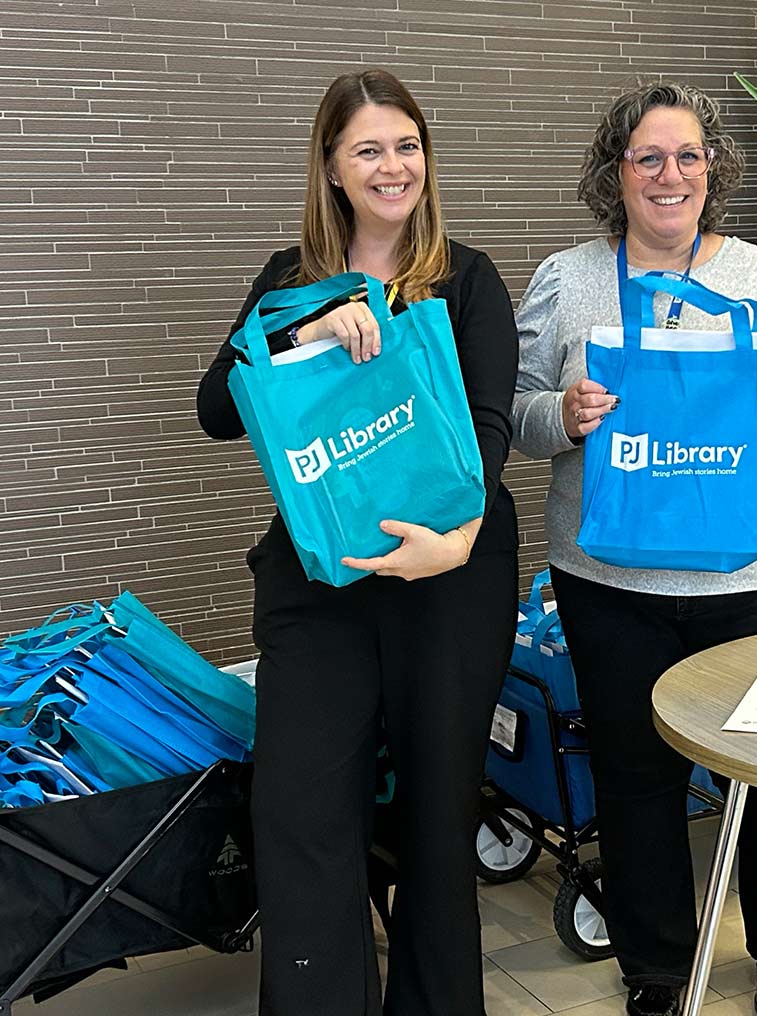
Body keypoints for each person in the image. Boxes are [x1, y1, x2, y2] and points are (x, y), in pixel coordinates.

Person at [512, 81, 757, 1016]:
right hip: (607, 581)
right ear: (615, 173)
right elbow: (514, 415)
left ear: (713, 169)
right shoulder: (568, 280)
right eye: (648, 158)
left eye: (688, 156)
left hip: (752, 581)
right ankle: (656, 969)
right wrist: (564, 414)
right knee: (635, 783)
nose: (671, 175)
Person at [197, 69, 519, 1016]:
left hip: (449, 584)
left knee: (436, 822)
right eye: (368, 149)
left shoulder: (467, 278)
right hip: (320, 589)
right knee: (301, 816)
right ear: (332, 167)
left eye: (407, 145)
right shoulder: (288, 281)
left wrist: (455, 544)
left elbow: (488, 431)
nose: (393, 166)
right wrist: (306, 324)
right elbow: (216, 407)